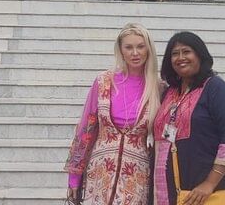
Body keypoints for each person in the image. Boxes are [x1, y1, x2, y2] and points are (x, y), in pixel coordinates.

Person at [65, 23, 161, 204]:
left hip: (136, 177)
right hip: (99, 173)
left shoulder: (158, 87)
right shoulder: (104, 81)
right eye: (129, 47)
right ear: (120, 50)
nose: (135, 53)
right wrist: (74, 176)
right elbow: (86, 129)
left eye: (140, 46)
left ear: (148, 49)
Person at [153, 32, 225, 205]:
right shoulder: (169, 93)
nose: (180, 58)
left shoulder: (217, 89)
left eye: (186, 51)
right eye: (175, 53)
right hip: (167, 193)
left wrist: (209, 184)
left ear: (200, 55)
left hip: (203, 196)